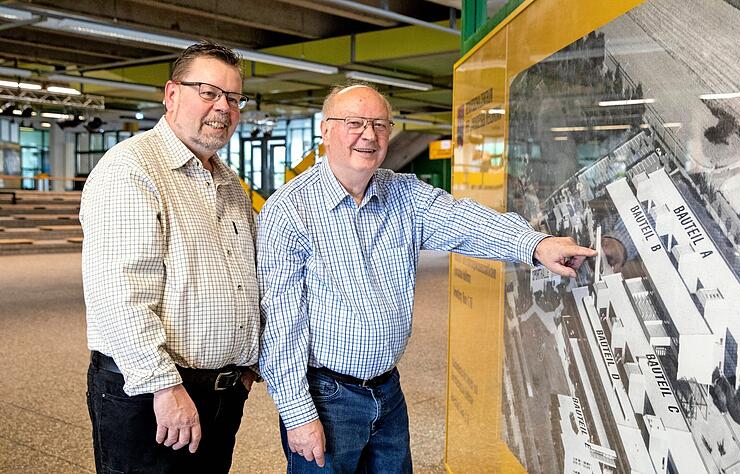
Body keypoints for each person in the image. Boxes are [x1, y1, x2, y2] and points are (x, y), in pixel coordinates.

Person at [257, 83, 597, 472]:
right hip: (326, 397)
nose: (369, 135)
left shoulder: (404, 194)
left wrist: (536, 245)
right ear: (326, 130)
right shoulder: (289, 210)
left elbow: (467, 222)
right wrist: (298, 414)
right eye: (354, 123)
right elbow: (281, 324)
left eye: (380, 125)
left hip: (387, 390)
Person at [80, 41, 259, 473]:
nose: (224, 107)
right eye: (209, 92)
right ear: (172, 94)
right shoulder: (130, 169)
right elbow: (118, 293)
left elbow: (244, 272)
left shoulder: (228, 181)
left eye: (234, 98)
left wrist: (248, 360)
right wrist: (164, 387)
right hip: (151, 396)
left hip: (220, 392)